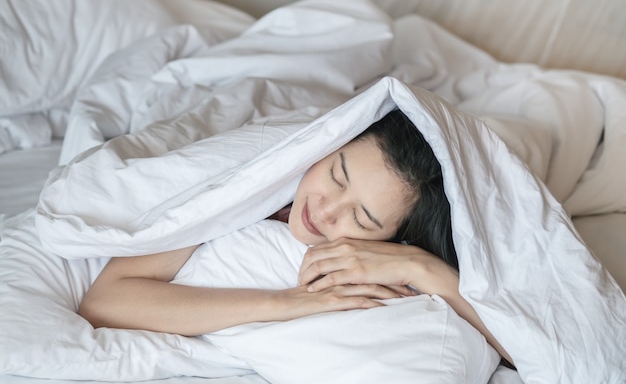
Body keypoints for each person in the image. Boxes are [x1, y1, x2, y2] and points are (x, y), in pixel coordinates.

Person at [78, 109, 512, 365]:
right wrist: (282, 303)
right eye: (336, 176)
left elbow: (526, 348)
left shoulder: (405, 250)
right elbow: (106, 302)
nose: (323, 210)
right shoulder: (246, 185)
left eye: (361, 220)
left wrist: (420, 265)